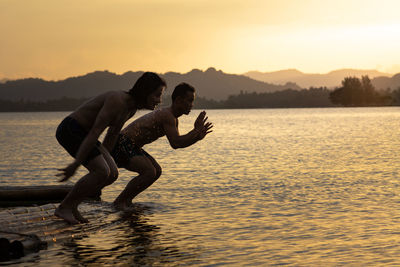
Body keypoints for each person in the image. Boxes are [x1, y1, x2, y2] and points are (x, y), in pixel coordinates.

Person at [55, 72, 166, 224]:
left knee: (112, 173)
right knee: (102, 171)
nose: (159, 100)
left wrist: (108, 160)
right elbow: (96, 131)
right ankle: (64, 207)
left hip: (85, 134)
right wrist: (75, 165)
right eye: (157, 95)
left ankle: (73, 206)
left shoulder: (130, 109)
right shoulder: (117, 100)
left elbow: (112, 135)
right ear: (145, 91)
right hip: (70, 129)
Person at [110, 82, 213, 211]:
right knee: (149, 172)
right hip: (121, 143)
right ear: (179, 100)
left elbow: (177, 144)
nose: (192, 105)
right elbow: (176, 142)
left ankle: (127, 200)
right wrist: (195, 131)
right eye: (190, 101)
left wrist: (197, 136)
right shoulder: (167, 115)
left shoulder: (173, 119)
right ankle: (119, 202)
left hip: (132, 145)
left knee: (156, 171)